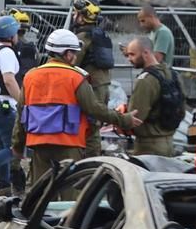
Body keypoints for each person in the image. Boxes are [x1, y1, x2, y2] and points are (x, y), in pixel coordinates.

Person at [23, 28, 138, 185]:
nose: (76, 57)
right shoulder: (76, 77)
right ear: (67, 54)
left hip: (38, 144)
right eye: (74, 53)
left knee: (40, 193)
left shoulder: (30, 76)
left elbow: (21, 114)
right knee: (69, 196)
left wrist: (17, 146)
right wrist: (124, 120)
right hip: (68, 144)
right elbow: (94, 108)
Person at [0, 16, 25, 192]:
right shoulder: (7, 52)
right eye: (16, 31)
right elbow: (9, 80)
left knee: (1, 146)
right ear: (10, 34)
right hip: (5, 106)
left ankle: (4, 185)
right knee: (12, 148)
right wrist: (23, 102)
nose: (18, 35)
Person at [122, 38, 177, 158]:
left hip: (148, 148)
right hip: (169, 143)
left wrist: (120, 117)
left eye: (132, 54)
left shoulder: (145, 80)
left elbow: (135, 117)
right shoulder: (173, 74)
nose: (129, 59)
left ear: (146, 53)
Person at [70, 0, 117, 104]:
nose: (73, 16)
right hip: (104, 84)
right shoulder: (99, 34)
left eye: (75, 14)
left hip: (92, 86)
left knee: (92, 118)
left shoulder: (82, 37)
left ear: (81, 18)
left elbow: (74, 62)